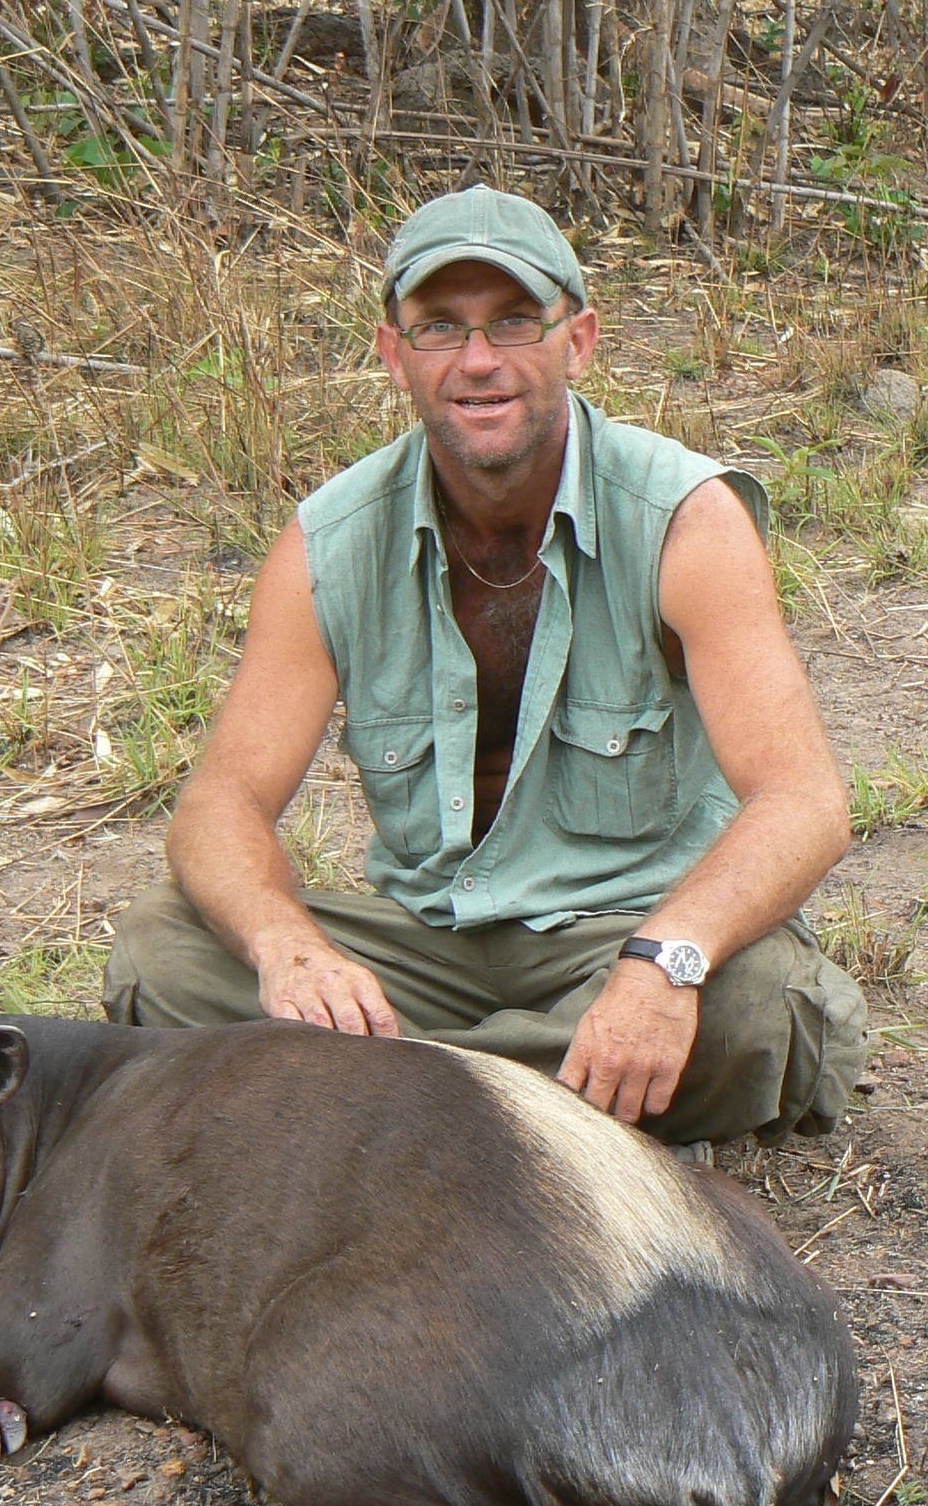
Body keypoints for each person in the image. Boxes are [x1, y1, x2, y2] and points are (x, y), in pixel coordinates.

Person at [103, 184, 866, 1146]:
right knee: (160, 955)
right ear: (394, 354)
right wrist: (289, 950)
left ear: (577, 340)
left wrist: (663, 963)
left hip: (620, 934)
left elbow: (804, 802)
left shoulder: (684, 518)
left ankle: (387, 1107)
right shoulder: (329, 542)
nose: (477, 362)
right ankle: (538, 1120)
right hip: (425, 941)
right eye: (439, 329)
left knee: (762, 1002)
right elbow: (222, 802)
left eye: (513, 323)